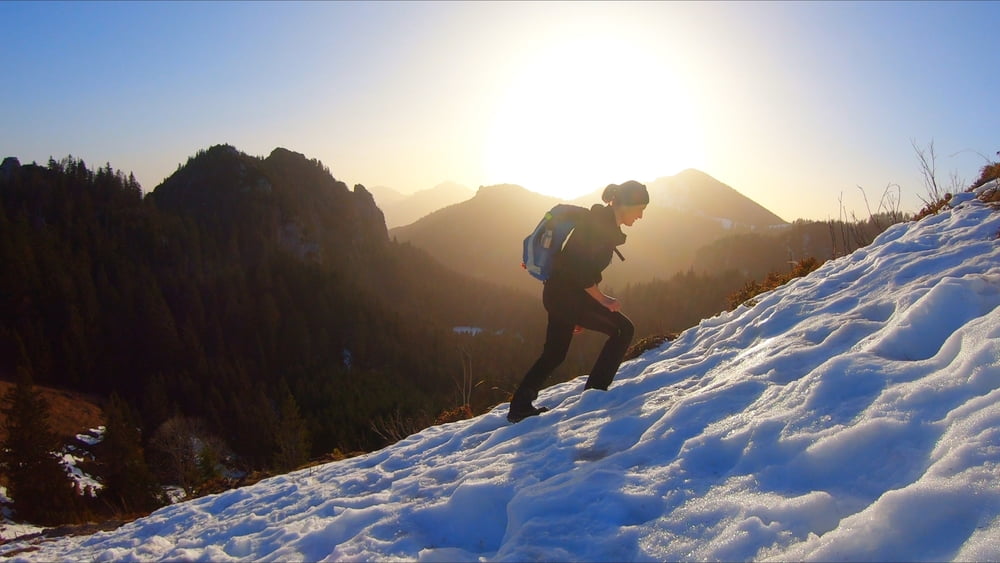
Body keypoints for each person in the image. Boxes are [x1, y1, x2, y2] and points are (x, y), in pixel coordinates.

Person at [508, 180, 649, 423]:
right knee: (622, 329)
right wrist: (602, 300)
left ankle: (519, 406)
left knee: (554, 353)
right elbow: (579, 269)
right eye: (640, 208)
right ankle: (595, 395)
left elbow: (574, 267)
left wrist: (575, 311)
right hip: (566, 296)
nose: (641, 216)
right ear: (626, 204)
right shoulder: (598, 226)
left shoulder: (599, 223)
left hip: (560, 295)